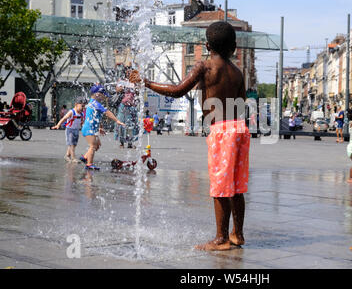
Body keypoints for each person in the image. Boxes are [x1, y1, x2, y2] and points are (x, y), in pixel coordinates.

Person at [129, 21, 250, 251]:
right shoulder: (237, 72)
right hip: (239, 129)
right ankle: (238, 234)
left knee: (220, 185)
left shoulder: (205, 67)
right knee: (236, 186)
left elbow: (177, 90)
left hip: (221, 131)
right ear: (234, 47)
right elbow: (242, 104)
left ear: (206, 45)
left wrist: (146, 82)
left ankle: (221, 239)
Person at [80, 85, 125, 170]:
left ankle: (85, 157)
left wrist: (99, 128)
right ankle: (89, 164)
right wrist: (117, 120)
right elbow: (107, 112)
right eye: (103, 95)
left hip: (91, 129)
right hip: (89, 129)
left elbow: (95, 117)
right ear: (97, 94)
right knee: (92, 146)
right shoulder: (96, 104)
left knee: (97, 145)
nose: (104, 97)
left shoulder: (92, 103)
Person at [52, 98, 85, 162]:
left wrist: (83, 127)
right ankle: (73, 158)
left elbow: (82, 122)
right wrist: (58, 125)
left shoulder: (81, 114)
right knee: (71, 144)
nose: (83, 108)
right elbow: (64, 119)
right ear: (76, 104)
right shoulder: (71, 112)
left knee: (74, 144)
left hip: (76, 130)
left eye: (84, 107)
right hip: (70, 130)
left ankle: (67, 155)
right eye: (82, 106)